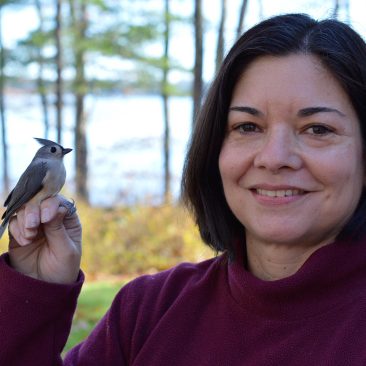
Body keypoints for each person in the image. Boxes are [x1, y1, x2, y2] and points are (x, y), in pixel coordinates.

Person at [2, 12, 366, 365]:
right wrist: (31, 297)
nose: (274, 157)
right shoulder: (145, 315)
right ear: (215, 149)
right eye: (247, 127)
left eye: (318, 129)